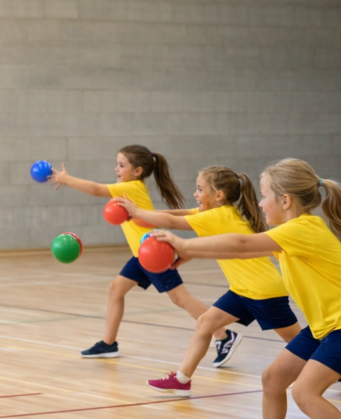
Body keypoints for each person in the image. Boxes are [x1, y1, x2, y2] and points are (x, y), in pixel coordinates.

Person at [153, 159, 341, 419]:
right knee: (273, 378)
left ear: (286, 200)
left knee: (305, 393)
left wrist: (185, 245)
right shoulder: (291, 234)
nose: (260, 203)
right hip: (325, 326)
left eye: (264, 196)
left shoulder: (304, 228)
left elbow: (242, 245)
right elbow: (239, 248)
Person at [116, 166, 300, 396]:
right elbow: (178, 215)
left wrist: (137, 211)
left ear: (219, 195)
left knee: (298, 341)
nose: (195, 194)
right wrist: (140, 213)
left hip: (263, 291)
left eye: (200, 189)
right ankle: (182, 379)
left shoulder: (218, 215)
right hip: (243, 290)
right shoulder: (219, 213)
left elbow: (170, 223)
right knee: (205, 323)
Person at [49, 145, 229, 359]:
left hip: (154, 251)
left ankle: (223, 335)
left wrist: (66, 179)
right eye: (116, 164)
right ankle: (108, 343)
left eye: (122, 165)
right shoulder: (126, 186)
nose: (116, 168)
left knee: (180, 298)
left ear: (138, 171)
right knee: (116, 289)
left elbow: (97, 190)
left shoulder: (132, 187)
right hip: (140, 254)